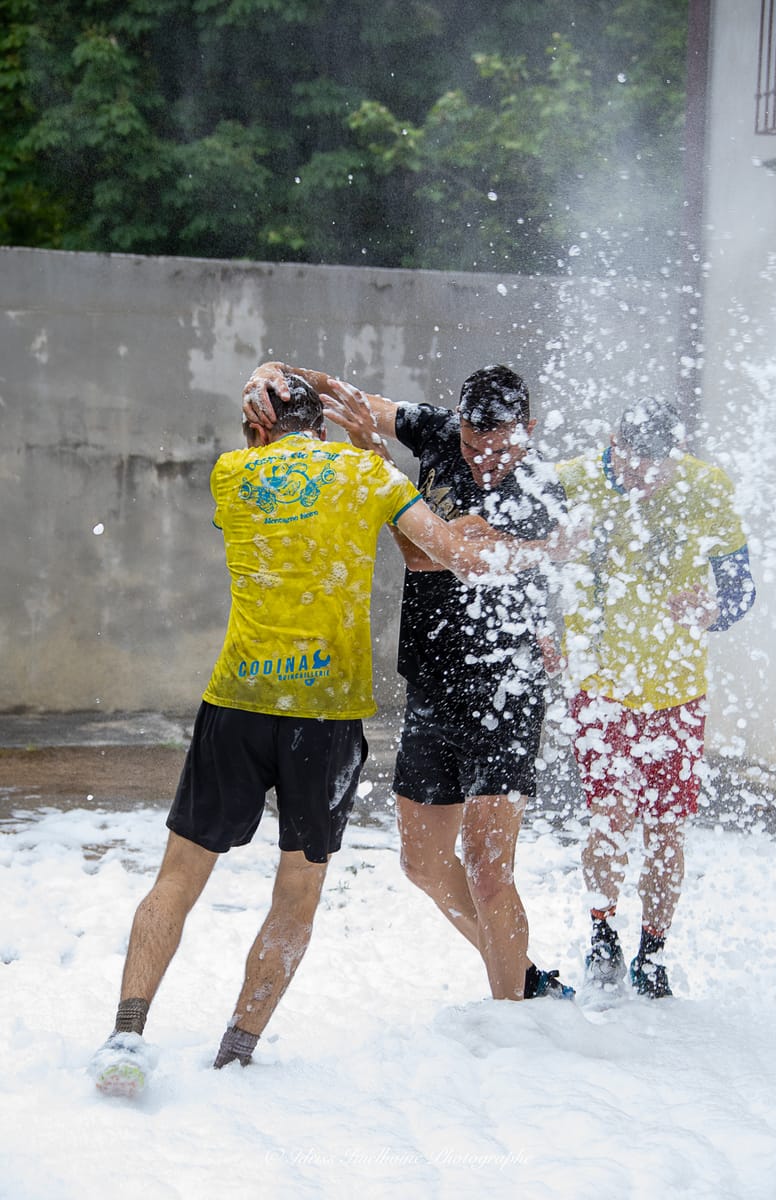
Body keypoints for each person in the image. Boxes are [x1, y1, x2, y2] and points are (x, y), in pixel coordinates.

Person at [90, 369, 519, 1097]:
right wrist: (504, 542)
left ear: (258, 426)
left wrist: (265, 377)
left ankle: (126, 1035)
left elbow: (277, 437)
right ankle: (236, 1054)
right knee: (297, 892)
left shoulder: (233, 475)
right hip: (324, 721)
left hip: (239, 705)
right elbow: (450, 555)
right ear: (319, 422)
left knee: (177, 879)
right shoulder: (363, 474)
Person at [244, 362, 574, 1003]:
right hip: (431, 679)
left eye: (500, 447)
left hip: (505, 689)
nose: (484, 461)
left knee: (486, 867)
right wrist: (278, 372)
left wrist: (375, 461)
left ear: (527, 430)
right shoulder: (438, 432)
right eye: (474, 447)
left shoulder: (538, 492)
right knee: (421, 862)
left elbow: (426, 555)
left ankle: (513, 1011)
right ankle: (522, 973)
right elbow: (346, 395)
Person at [556, 397, 756, 998]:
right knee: (610, 816)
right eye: (636, 462)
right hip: (600, 685)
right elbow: (531, 569)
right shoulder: (572, 481)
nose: (647, 478)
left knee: (666, 826)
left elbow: (741, 585)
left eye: (659, 467)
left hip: (676, 687)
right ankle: (601, 933)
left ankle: (653, 950)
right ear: (615, 441)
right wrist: (544, 633)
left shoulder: (705, 486)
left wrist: (715, 610)